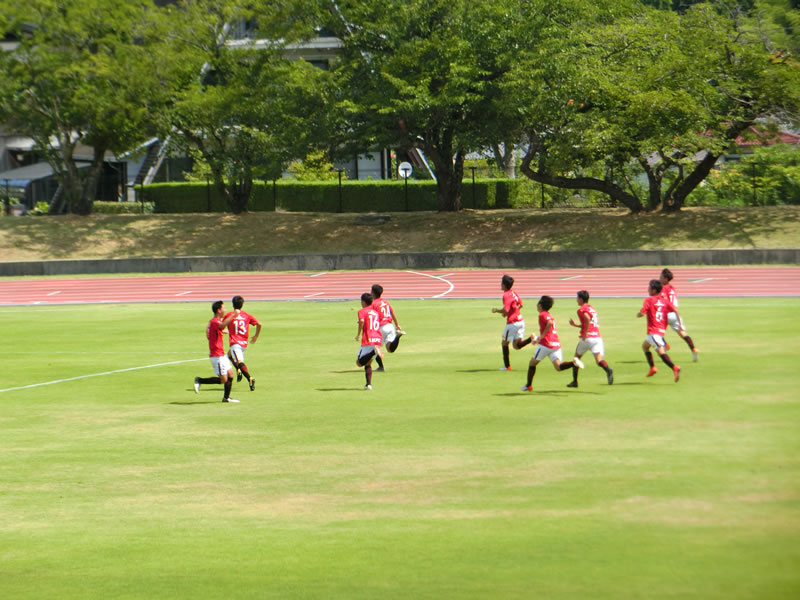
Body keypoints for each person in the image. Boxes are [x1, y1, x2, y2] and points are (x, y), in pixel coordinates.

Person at [521, 295, 584, 391]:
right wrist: (538, 338)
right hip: (555, 344)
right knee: (558, 367)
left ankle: (528, 386)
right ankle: (573, 363)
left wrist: (541, 337)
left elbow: (549, 323)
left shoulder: (542, 314)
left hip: (546, 344)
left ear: (540, 305)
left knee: (532, 363)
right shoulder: (549, 314)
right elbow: (549, 327)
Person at [194, 300, 240, 403]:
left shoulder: (214, 322)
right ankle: (200, 380)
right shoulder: (215, 322)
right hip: (217, 356)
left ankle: (226, 398)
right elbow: (222, 326)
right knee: (223, 380)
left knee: (231, 374)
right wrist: (233, 314)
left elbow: (217, 330)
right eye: (223, 308)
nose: (225, 310)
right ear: (218, 310)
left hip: (221, 354)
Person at [567, 290, 613, 387]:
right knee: (599, 360)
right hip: (597, 337)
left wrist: (585, 333)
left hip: (587, 338)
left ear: (581, 299)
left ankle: (575, 381)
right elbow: (588, 323)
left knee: (576, 359)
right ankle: (608, 370)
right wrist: (575, 325)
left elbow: (587, 319)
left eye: (577, 298)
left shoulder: (581, 309)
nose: (576, 300)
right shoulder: (592, 308)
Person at [637, 279, 681, 382]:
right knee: (645, 347)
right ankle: (652, 368)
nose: (648, 289)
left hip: (654, 332)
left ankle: (674, 367)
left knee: (661, 352)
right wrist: (679, 324)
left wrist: (639, 314)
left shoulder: (649, 300)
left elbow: (642, 313)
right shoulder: (665, 301)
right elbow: (676, 310)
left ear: (653, 290)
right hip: (660, 331)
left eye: (649, 287)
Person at [492, 274, 534, 371]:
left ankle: (507, 366)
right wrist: (512, 312)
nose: (500, 284)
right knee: (516, 346)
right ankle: (531, 339)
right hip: (520, 321)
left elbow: (506, 310)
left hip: (512, 323)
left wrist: (497, 311)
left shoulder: (506, 295)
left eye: (501, 283)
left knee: (504, 343)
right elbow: (520, 305)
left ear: (504, 285)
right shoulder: (513, 293)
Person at [659, 268, 699, 362]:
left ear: (665, 279)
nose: (659, 278)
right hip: (675, 314)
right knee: (683, 334)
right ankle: (693, 349)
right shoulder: (672, 288)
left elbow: (664, 301)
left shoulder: (663, 288)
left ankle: (665, 345)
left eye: (661, 277)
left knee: (656, 332)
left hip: (666, 314)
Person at [225, 295, 261, 391]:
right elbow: (259, 324)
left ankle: (250, 378)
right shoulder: (246, 315)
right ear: (242, 304)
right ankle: (238, 370)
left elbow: (222, 325)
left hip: (235, 343)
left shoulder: (229, 315)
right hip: (244, 343)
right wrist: (256, 336)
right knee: (229, 355)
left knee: (240, 362)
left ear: (232, 304)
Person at [370, 284, 405, 372]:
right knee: (390, 349)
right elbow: (392, 313)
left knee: (373, 348)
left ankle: (381, 367)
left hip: (381, 327)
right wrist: (397, 324)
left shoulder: (373, 303)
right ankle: (397, 337)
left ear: (373, 293)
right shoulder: (385, 302)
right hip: (390, 326)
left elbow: (371, 316)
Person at [355, 292, 383, 390]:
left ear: (363, 302)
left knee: (359, 363)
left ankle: (373, 352)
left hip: (368, 339)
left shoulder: (362, 311)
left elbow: (362, 321)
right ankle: (368, 384)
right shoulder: (375, 312)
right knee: (368, 363)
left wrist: (358, 334)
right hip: (377, 338)